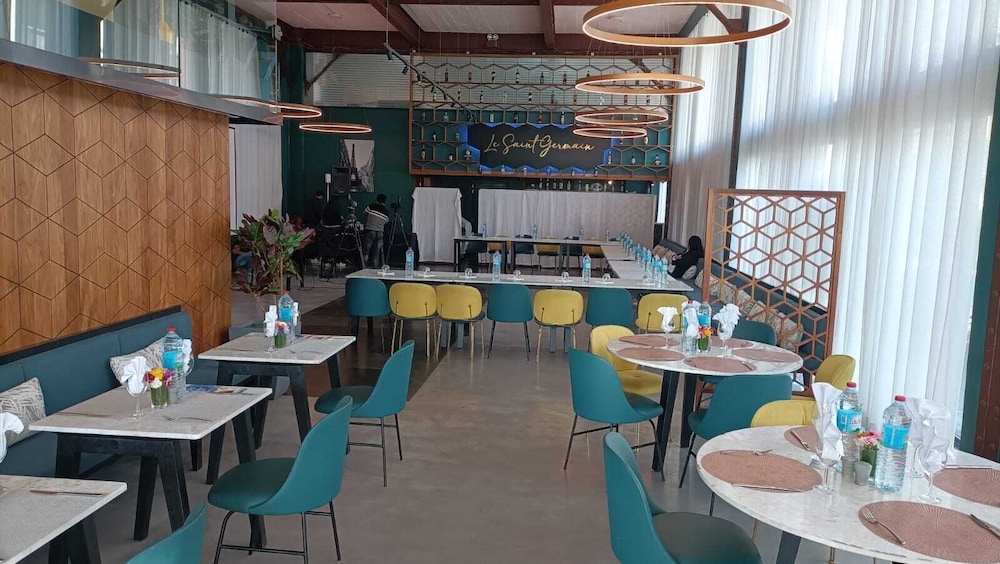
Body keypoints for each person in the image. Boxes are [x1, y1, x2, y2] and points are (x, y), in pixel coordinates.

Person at [362, 194, 390, 267]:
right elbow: (386, 222)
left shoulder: (371, 206)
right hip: (380, 233)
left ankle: (364, 268)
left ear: (377, 200)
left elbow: (364, 213)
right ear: (385, 202)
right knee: (376, 252)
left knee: (366, 251)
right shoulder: (386, 212)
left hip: (370, 231)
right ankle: (375, 268)